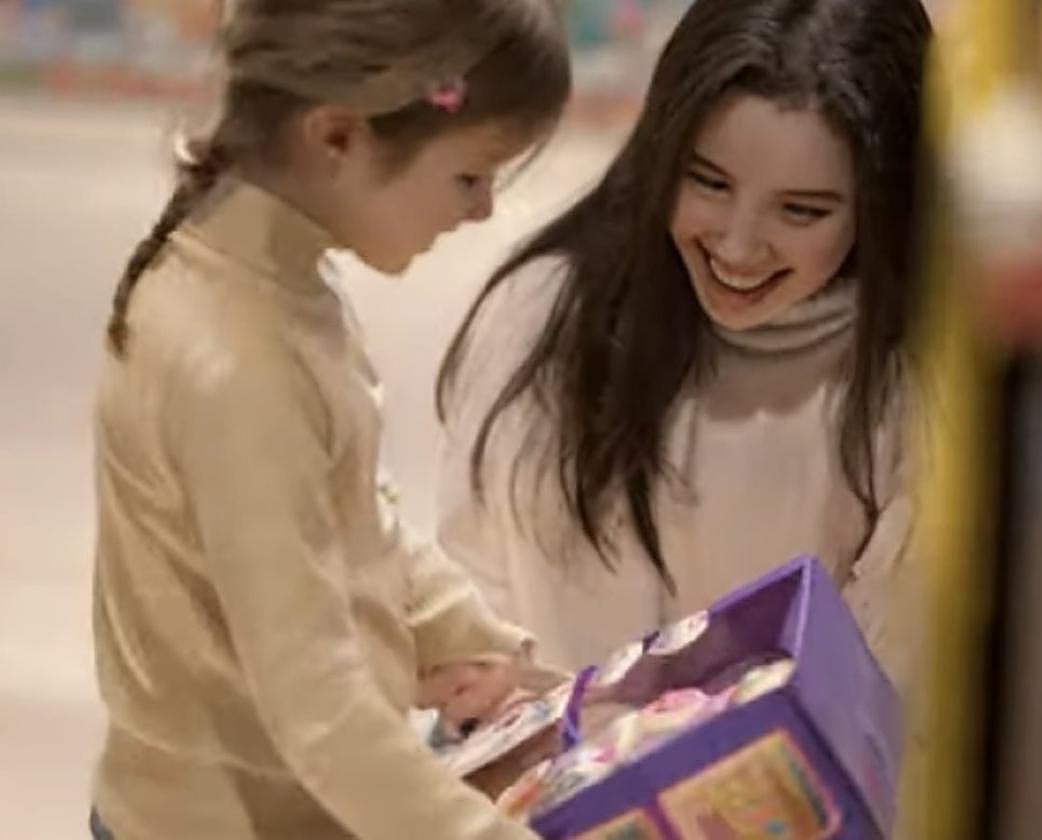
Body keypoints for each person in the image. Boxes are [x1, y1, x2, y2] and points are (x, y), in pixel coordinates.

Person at [89, 1, 569, 838]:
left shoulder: (269, 283)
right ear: (337, 135)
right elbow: (319, 711)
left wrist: (461, 634)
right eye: (469, 177)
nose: (483, 211)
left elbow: (350, 519)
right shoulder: (239, 362)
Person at [437, 0, 932, 692]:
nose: (737, 247)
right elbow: (468, 594)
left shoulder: (908, 394)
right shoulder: (541, 313)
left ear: (881, 205)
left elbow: (889, 688)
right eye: (708, 182)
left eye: (801, 211)